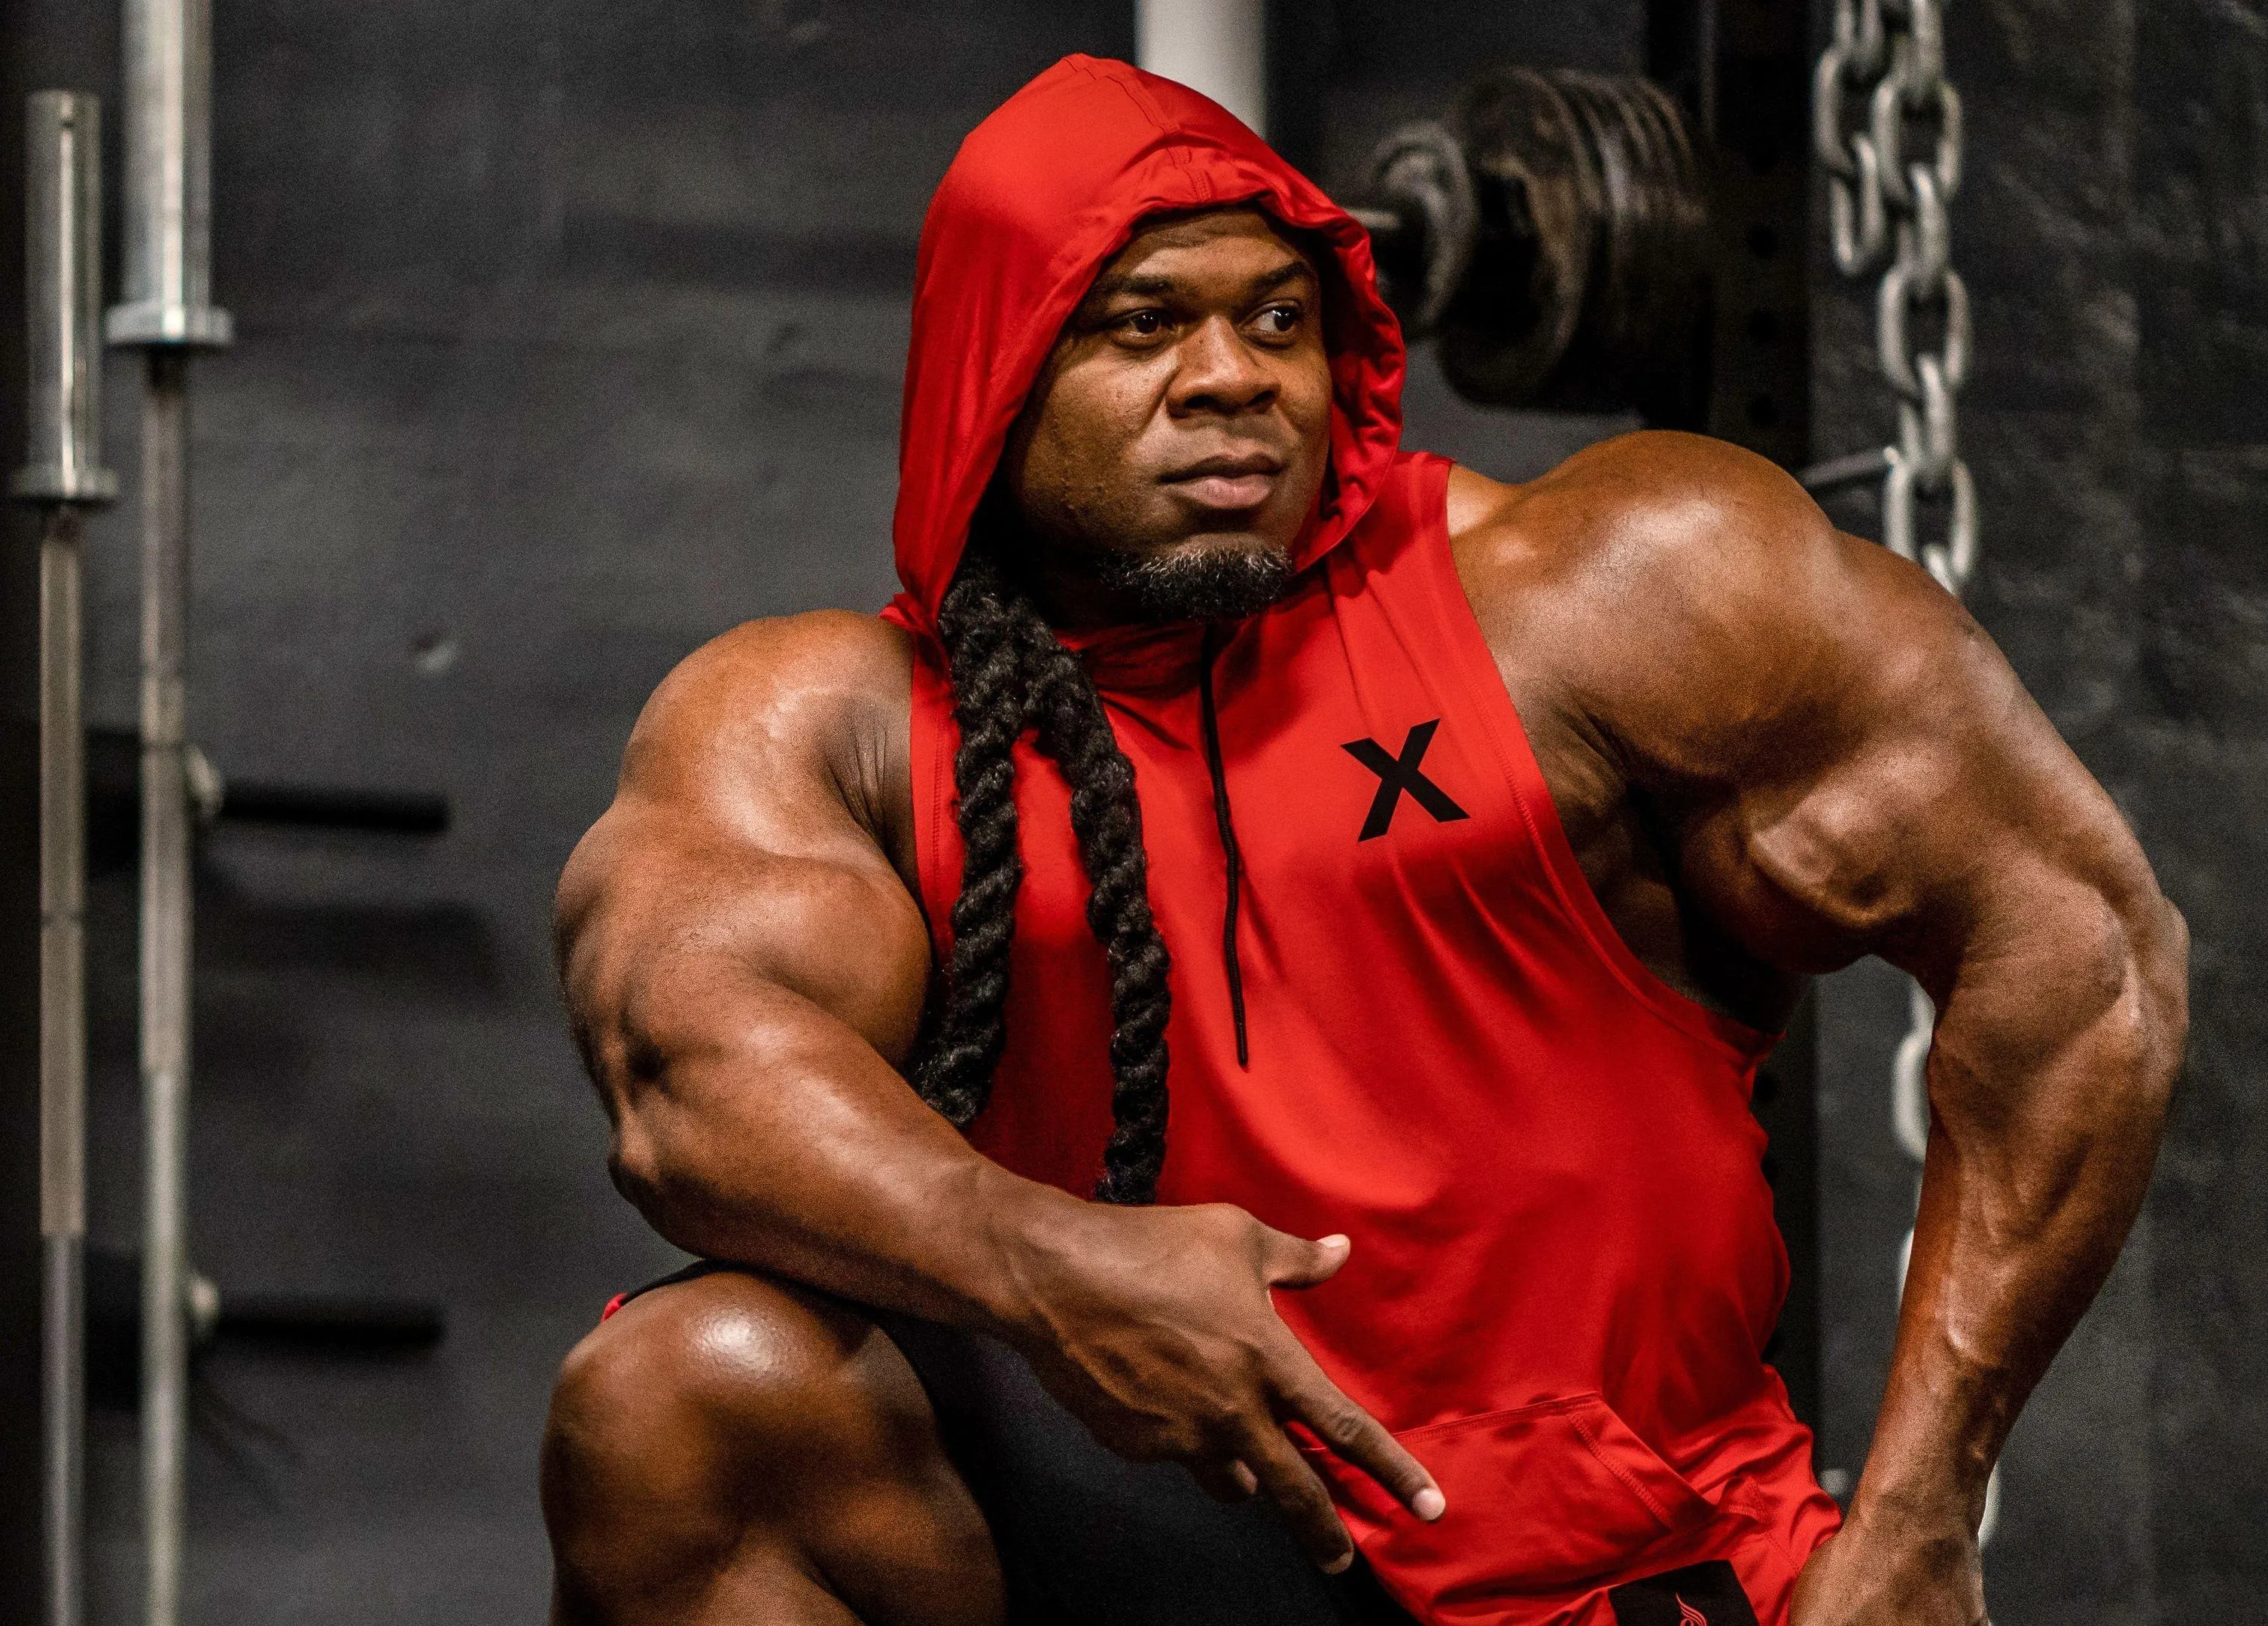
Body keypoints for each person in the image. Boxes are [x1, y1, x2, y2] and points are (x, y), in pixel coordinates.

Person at [540, 54, 2184, 1626]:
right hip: (1188, 1511)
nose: (1234, 374)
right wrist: (1049, 1263)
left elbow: (2077, 947)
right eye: (1143, 325)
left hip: (1607, 1552)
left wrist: (1917, 1511)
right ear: (996, 378)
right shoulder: (829, 722)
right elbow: (692, 1077)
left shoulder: (1606, 592)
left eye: (1278, 319)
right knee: (682, 1404)